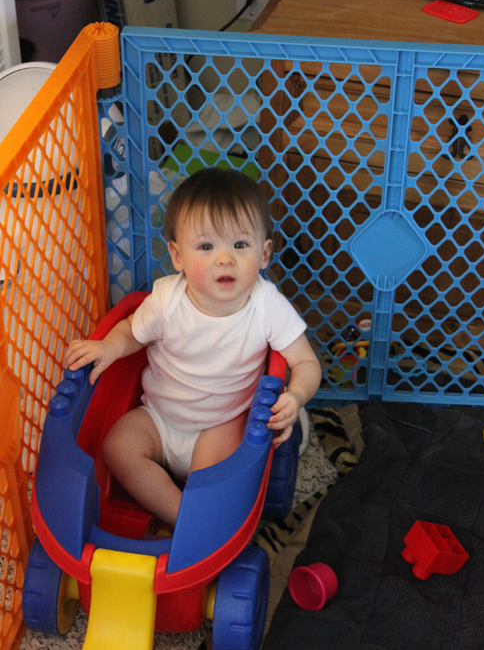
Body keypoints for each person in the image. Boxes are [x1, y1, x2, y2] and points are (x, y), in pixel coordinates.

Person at [65, 167, 321, 528]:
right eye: (206, 246)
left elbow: (307, 363)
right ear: (178, 256)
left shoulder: (267, 306)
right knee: (116, 447)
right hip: (158, 417)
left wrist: (295, 396)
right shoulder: (167, 299)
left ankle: (198, 515)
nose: (225, 258)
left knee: (215, 481)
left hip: (220, 425)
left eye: (240, 245)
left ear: (264, 253)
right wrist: (109, 346)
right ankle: (180, 516)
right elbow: (133, 332)